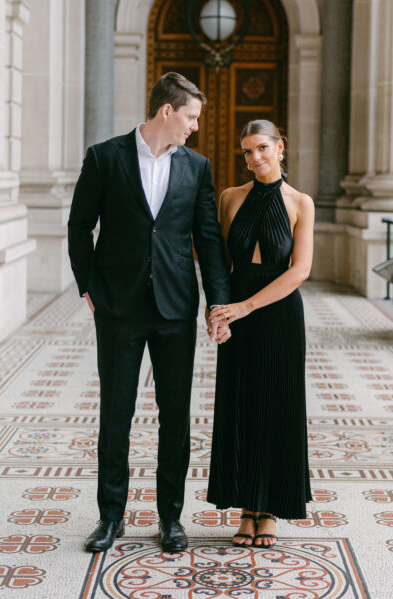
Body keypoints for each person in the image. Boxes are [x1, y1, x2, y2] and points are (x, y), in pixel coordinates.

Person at [68, 72, 231, 553]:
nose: (195, 127)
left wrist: (216, 302)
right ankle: (110, 517)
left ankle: (171, 520)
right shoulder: (105, 157)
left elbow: (208, 241)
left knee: (175, 415)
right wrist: (88, 287)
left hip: (175, 307)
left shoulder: (197, 167)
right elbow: (80, 226)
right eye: (191, 116)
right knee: (116, 413)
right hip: (118, 306)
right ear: (167, 111)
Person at [207, 120, 314, 547]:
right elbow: (217, 263)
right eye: (247, 152)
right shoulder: (229, 198)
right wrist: (216, 313)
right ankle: (245, 506)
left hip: (278, 314)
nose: (255, 159)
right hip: (235, 311)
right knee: (241, 404)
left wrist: (245, 307)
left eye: (262, 148)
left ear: (280, 148)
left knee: (276, 405)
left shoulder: (300, 202)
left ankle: (267, 509)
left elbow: (300, 271)